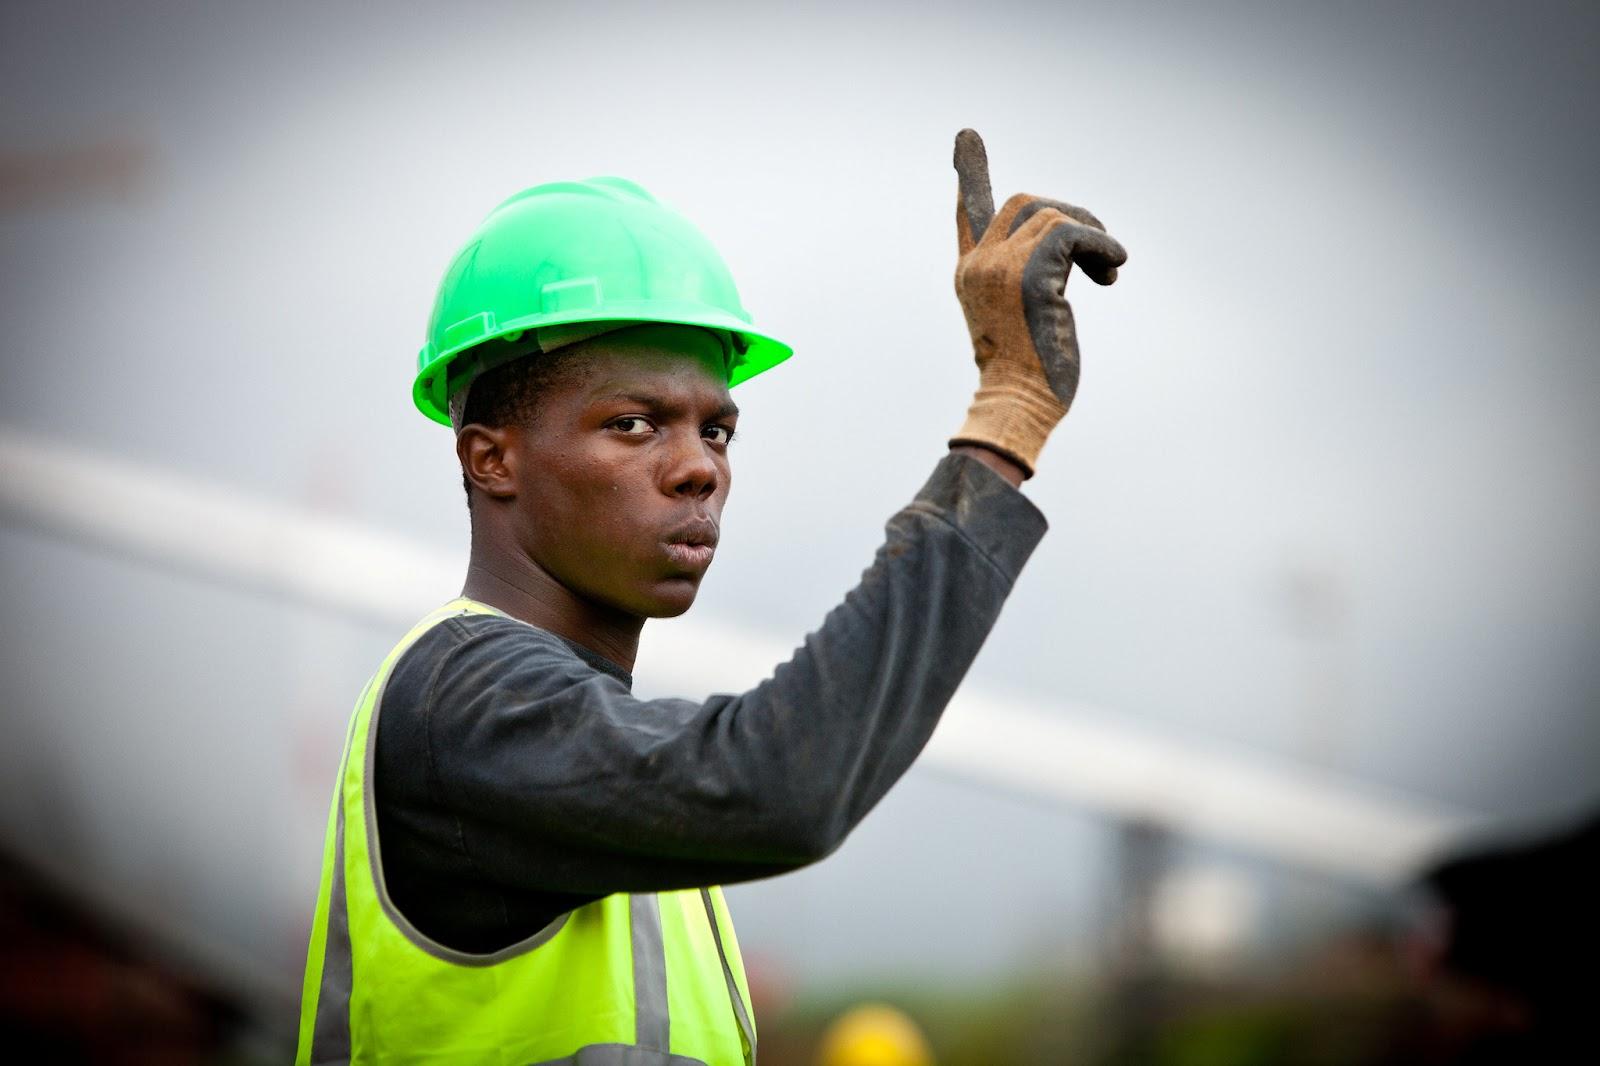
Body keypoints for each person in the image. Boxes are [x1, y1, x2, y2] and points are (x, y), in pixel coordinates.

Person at [295, 129, 1127, 1066]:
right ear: (493, 458)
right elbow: (781, 785)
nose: (697, 467)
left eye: (718, 431)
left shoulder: (601, 763)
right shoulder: (465, 703)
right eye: (634, 423)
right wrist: (1006, 413)